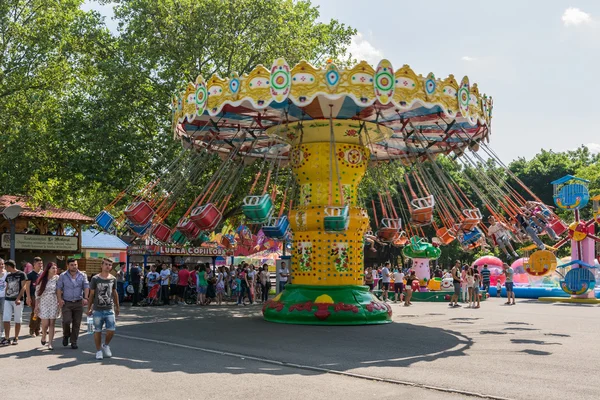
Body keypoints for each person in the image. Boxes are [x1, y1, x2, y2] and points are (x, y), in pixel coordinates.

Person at [87, 258, 120, 360]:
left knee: (111, 330)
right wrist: (89, 308)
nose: (108, 266)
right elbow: (91, 294)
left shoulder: (113, 279)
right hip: (97, 309)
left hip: (109, 309)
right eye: (106, 264)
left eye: (110, 265)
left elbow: (114, 292)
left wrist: (117, 306)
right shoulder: (95, 279)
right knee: (97, 331)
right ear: (101, 265)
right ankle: (98, 351)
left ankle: (105, 345)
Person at [57, 258, 89, 349]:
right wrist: (59, 299)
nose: (74, 266)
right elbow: (59, 288)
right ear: (67, 266)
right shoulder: (63, 276)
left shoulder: (82, 275)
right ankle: (66, 335)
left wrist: (86, 297)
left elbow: (86, 286)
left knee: (77, 323)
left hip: (78, 302)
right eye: (72, 265)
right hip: (67, 302)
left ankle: (74, 341)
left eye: (75, 264)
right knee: (66, 321)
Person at [1, 260, 30, 345]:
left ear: (9, 266)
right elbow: (7, 287)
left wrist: (18, 298)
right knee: (6, 319)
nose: (5, 268)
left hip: (18, 300)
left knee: (18, 319)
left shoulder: (21, 274)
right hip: (8, 299)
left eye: (6, 267)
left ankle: (16, 337)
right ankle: (6, 338)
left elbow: (23, 287)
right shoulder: (8, 276)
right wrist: (6, 295)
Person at [35, 262, 60, 349]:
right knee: (45, 324)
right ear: (48, 269)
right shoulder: (42, 279)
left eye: (56, 268)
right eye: (53, 268)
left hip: (54, 302)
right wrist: (36, 306)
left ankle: (50, 343)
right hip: (44, 303)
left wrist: (60, 302)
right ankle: (44, 335)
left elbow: (59, 291)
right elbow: (37, 294)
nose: (55, 270)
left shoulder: (57, 278)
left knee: (52, 323)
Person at [27, 256, 43, 336]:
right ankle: (32, 329)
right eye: (38, 263)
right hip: (34, 296)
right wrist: (28, 297)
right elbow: (27, 287)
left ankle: (38, 329)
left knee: (41, 313)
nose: (40, 265)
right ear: (34, 264)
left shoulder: (43, 274)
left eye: (41, 263)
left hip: (42, 296)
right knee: (35, 312)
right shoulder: (30, 274)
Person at [0, 259, 6, 339]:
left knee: (2, 315)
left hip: (4, 296)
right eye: (0, 264)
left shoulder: (7, 274)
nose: (1, 265)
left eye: (2, 264)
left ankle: (2, 331)